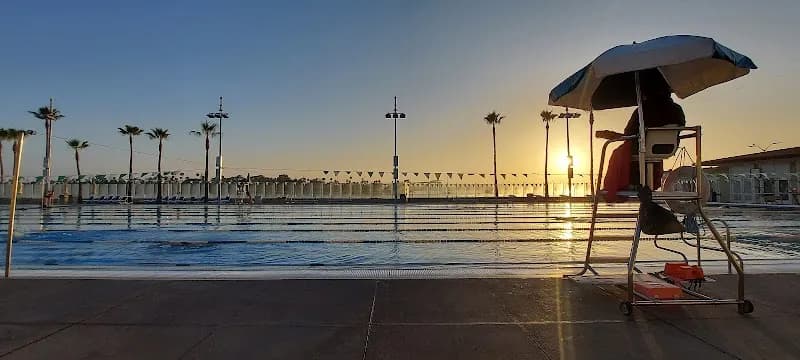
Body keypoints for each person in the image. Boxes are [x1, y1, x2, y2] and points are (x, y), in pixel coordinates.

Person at [596, 81, 686, 201]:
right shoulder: (677, 109)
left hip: (642, 149)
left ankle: (619, 187)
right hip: (668, 149)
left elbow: (628, 134)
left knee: (620, 152)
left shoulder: (643, 110)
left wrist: (611, 135)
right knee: (641, 151)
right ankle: (645, 183)